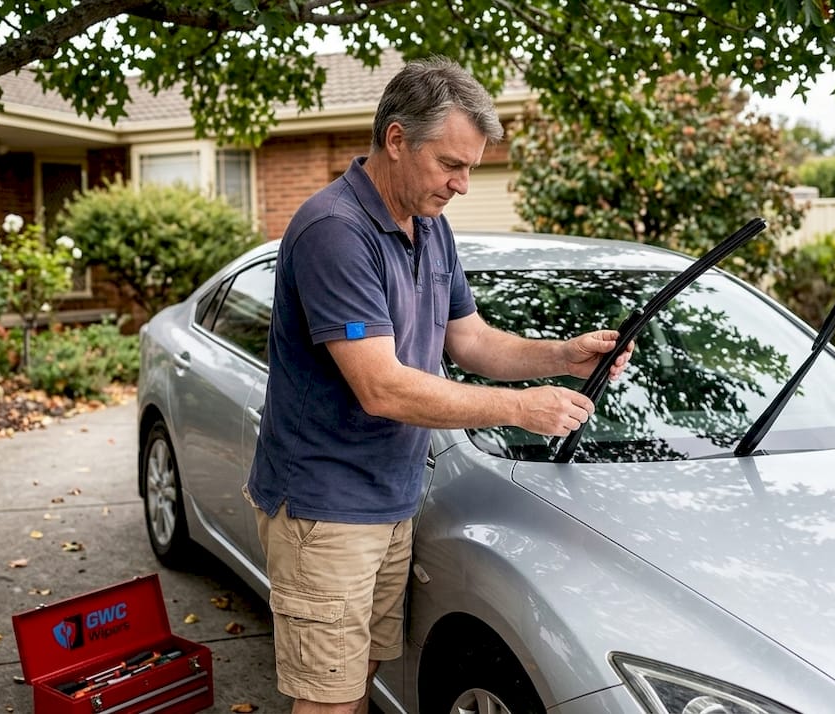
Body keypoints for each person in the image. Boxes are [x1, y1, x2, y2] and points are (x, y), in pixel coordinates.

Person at [244, 57, 633, 713]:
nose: (461, 184)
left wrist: (563, 356)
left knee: (357, 674)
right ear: (397, 140)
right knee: (328, 699)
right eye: (450, 164)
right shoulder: (334, 231)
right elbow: (384, 389)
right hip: (326, 508)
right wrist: (520, 410)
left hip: (391, 497)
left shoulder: (430, 226)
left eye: (470, 169)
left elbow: (471, 340)